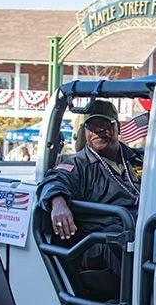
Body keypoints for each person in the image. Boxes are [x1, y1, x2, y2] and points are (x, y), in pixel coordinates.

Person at [38, 100, 141, 277]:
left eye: (105, 124)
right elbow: (53, 181)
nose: (98, 131)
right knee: (118, 236)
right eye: (91, 126)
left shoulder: (139, 158)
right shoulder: (78, 165)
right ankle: (146, 299)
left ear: (118, 127)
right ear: (84, 131)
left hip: (143, 230)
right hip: (101, 242)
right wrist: (58, 202)